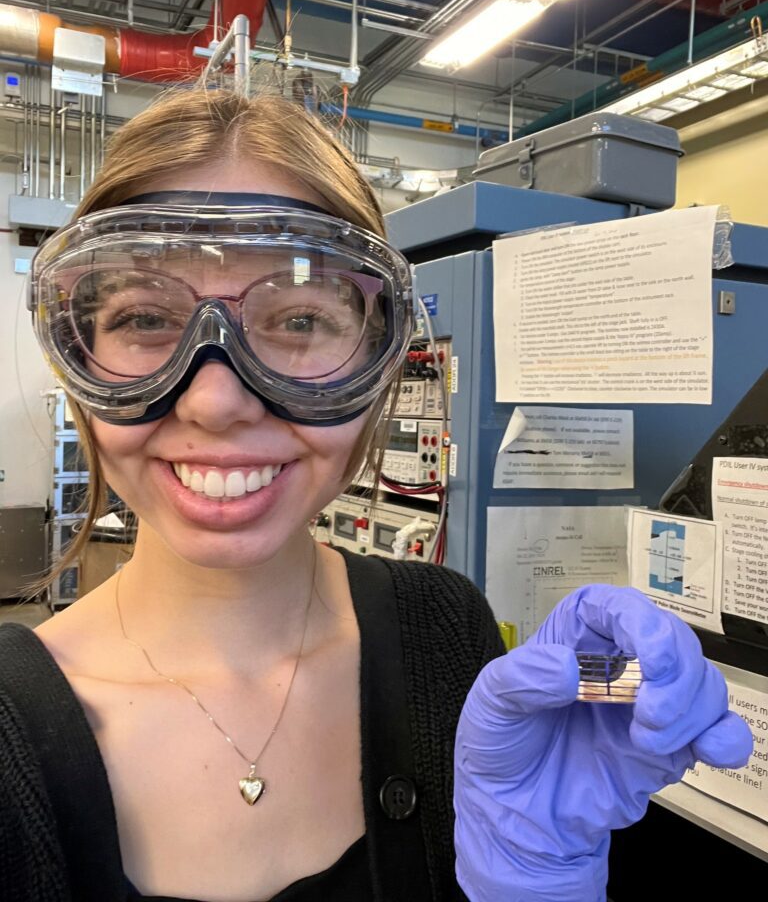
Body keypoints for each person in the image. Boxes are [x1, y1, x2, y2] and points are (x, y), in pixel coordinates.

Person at [0, 88, 752, 902]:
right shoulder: (10, 740)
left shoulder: (448, 634)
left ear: (379, 359)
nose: (215, 402)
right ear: (78, 357)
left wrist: (630, 693)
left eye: (298, 323)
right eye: (145, 317)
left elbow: (599, 692)